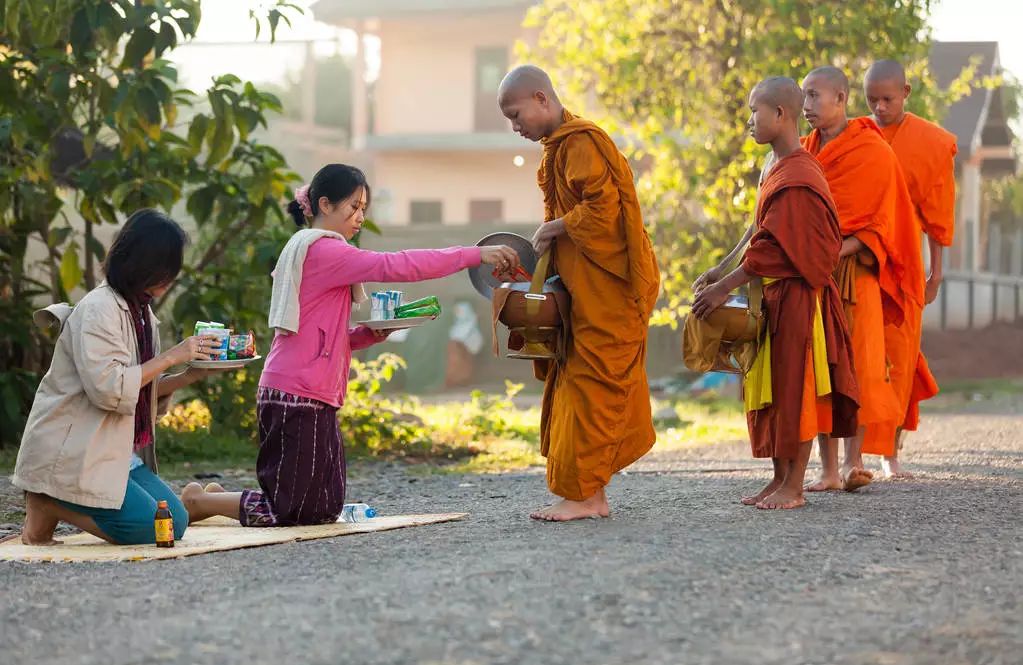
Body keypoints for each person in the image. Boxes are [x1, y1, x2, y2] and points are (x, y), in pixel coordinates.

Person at [180, 164, 520, 526]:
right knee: (292, 510)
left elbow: (325, 335)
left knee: (326, 506)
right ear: (324, 205)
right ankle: (200, 501)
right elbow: (399, 265)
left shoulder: (323, 252)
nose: (359, 217)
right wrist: (475, 254)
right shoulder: (324, 251)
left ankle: (219, 499)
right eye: (353, 207)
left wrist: (367, 335)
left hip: (316, 393)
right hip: (294, 393)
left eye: (364, 209)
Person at [497, 65, 661, 522]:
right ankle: (591, 493)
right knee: (577, 386)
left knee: (594, 385)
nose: (515, 128)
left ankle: (587, 497)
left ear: (542, 99)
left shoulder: (582, 142)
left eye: (516, 115)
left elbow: (605, 211)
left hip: (611, 287)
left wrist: (558, 225)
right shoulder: (557, 149)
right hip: (585, 289)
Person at [692, 77, 858, 510]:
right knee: (768, 389)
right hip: (771, 296)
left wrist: (725, 288)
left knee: (793, 389)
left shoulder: (801, 171)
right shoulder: (773, 167)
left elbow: (778, 245)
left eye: (754, 111)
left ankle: (795, 487)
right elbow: (758, 228)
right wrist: (721, 268)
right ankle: (778, 478)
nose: (748, 121)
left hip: (798, 297)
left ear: (780, 115)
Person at [14, 209, 224, 545]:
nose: (169, 278)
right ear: (139, 264)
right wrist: (173, 355)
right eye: (164, 270)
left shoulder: (140, 311)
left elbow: (139, 389)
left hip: (110, 448)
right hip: (75, 450)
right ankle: (47, 500)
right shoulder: (99, 308)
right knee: (149, 530)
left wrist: (189, 374)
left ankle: (49, 510)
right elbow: (109, 389)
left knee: (176, 520)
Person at [799, 66, 920, 492]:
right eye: (803, 97)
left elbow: (884, 222)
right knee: (820, 368)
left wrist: (838, 249)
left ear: (841, 98)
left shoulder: (871, 149)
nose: (807, 105)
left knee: (861, 365)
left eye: (815, 96)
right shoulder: (802, 152)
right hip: (815, 276)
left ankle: (855, 462)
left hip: (856, 273)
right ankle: (827, 470)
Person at [864, 59, 956, 477]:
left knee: (899, 358)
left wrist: (937, 273)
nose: (880, 108)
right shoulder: (854, 138)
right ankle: (851, 454)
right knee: (860, 355)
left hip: (906, 267)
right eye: (872, 100)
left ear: (907, 92)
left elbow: (936, 217)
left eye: (887, 98)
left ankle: (891, 454)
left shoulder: (930, 143)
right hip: (859, 265)